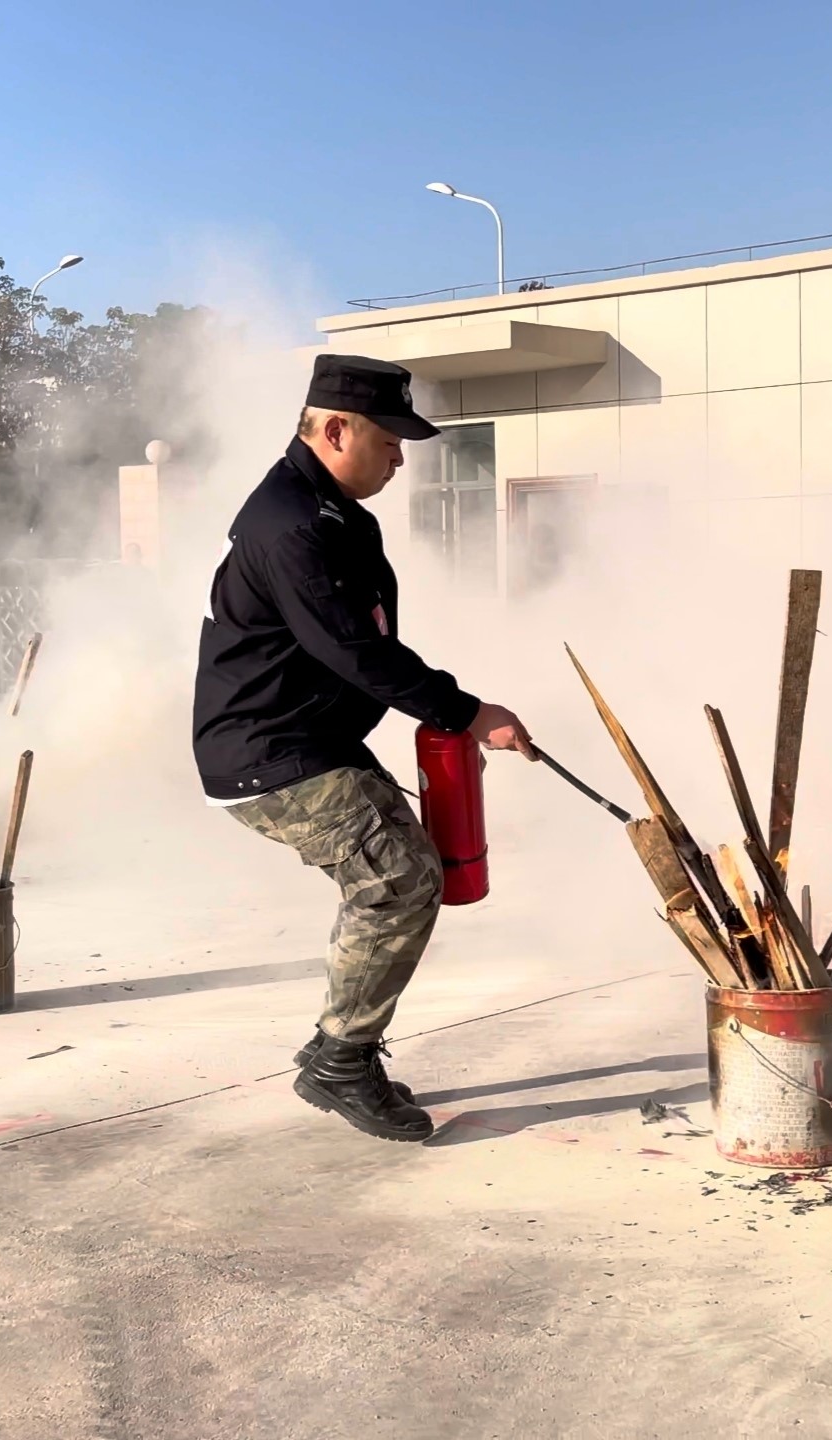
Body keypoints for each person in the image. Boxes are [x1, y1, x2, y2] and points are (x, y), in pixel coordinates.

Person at [192, 354, 534, 1143]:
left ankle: (340, 1050)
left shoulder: (335, 514)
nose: (399, 458)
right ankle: (340, 1059)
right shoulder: (293, 524)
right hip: (270, 752)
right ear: (337, 430)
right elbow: (355, 650)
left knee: (405, 871)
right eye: (389, 441)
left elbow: (364, 645)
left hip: (312, 739)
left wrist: (448, 718)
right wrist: (467, 712)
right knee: (399, 881)